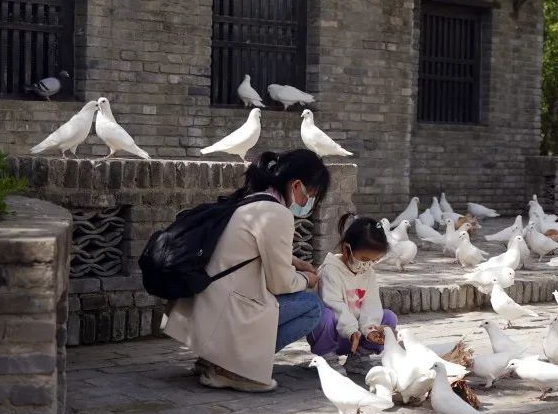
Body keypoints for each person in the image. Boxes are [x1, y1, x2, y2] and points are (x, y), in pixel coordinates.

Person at [163, 149, 330, 392]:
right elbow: (280, 284)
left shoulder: (254, 199)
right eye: (310, 196)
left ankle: (213, 358)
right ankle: (232, 367)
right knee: (312, 307)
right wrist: (307, 278)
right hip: (227, 310)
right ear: (297, 186)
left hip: (205, 306)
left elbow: (247, 248)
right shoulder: (278, 213)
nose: (308, 204)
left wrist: (294, 262)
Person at [308, 214, 398, 376]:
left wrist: (370, 329)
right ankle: (328, 359)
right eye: (364, 259)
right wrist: (351, 331)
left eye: (373, 260)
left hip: (359, 337)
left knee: (388, 318)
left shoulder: (369, 273)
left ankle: (359, 358)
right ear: (346, 249)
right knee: (324, 315)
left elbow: (371, 304)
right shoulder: (330, 270)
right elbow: (334, 304)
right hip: (335, 335)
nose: (367, 264)